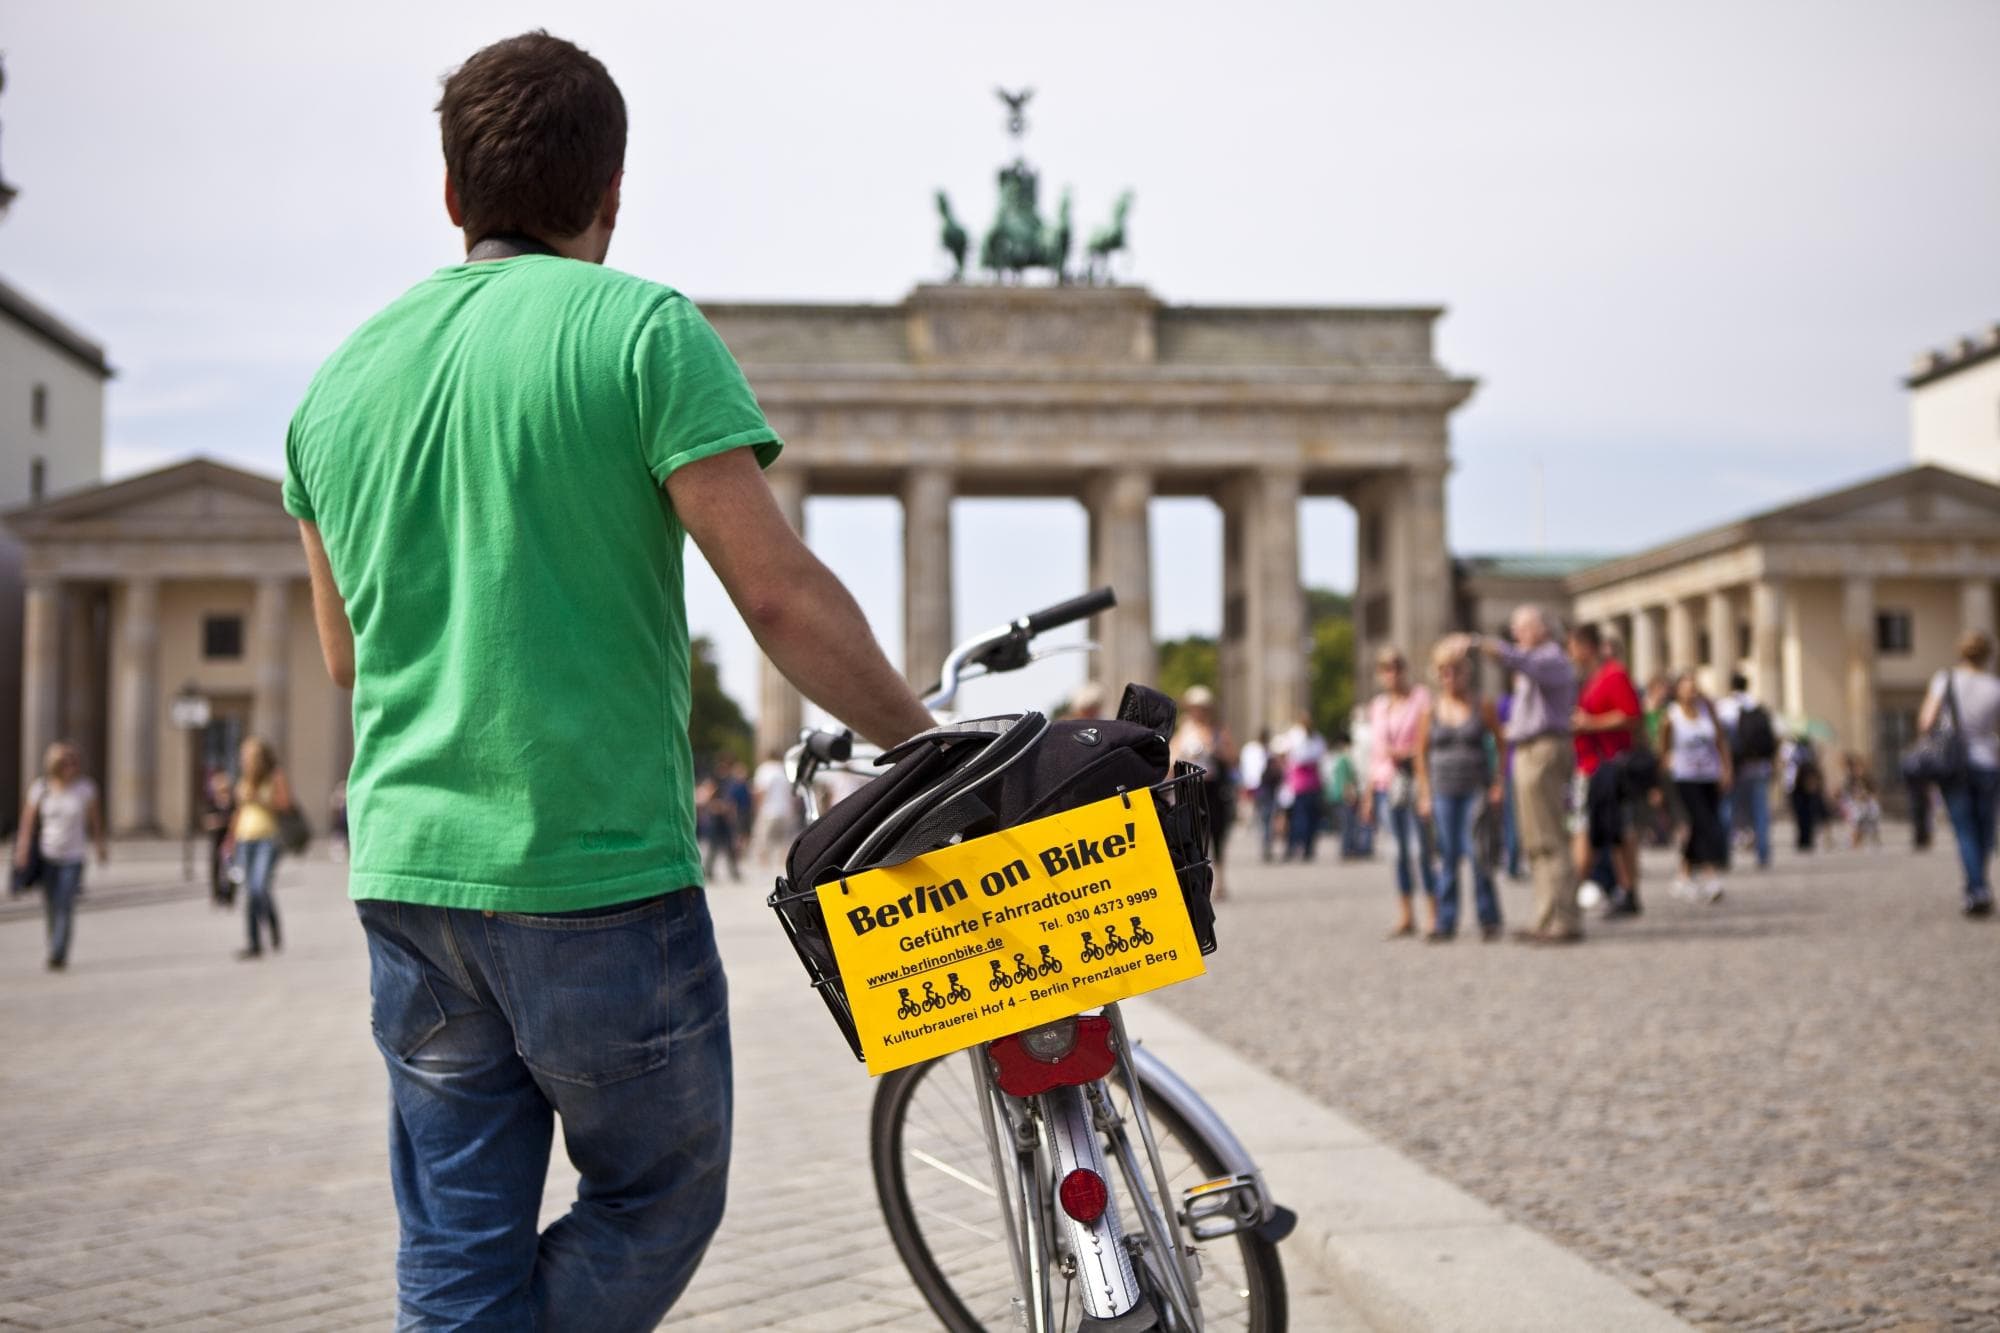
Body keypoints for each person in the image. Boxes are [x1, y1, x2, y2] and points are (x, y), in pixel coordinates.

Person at [282, 33, 935, 1328]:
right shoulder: (640, 328)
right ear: (613, 194)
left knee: (457, 1252)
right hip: (594, 872)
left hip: (409, 877)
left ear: (454, 195)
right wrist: (929, 746)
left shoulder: (333, 388)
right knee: (659, 1191)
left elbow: (345, 656)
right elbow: (777, 593)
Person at [1482, 606, 1581, 943]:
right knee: (1535, 841)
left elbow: (1515, 659)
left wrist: (1479, 644)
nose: (1516, 633)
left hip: (1544, 750)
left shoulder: (1550, 657)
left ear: (1543, 629)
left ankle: (1563, 918)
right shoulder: (1536, 660)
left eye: (1521, 627)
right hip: (1527, 751)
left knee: (1550, 838)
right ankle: (1545, 915)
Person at [1414, 636, 1505, 941]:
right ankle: (1445, 920)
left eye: (1455, 670)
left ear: (1466, 672)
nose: (1450, 677)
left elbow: (1502, 744)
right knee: (1448, 856)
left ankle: (1488, 916)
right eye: (1444, 672)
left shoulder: (1482, 705)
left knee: (1478, 853)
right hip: (1443, 790)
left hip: (1474, 788)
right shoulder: (1431, 711)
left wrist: (1497, 782)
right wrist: (1424, 793)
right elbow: (1420, 754)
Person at [1918, 630, 2000, 915]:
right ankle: (1981, 883)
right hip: (1988, 762)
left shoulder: (1945, 680)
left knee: (1964, 829)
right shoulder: (1994, 686)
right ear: (1989, 655)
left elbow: (1926, 721)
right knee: (1985, 830)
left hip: (1954, 764)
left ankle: (1976, 889)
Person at [1568, 624, 1644, 916]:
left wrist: (1590, 723)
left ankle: (1583, 889)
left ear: (1586, 646)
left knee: (1599, 830)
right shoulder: (1591, 679)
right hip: (1591, 765)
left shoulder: (1614, 675)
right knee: (1609, 831)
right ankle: (1622, 888)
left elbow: (1630, 716)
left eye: (1572, 646)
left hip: (1608, 766)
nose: (1570, 653)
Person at [11, 741, 106, 970]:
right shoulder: (40, 788)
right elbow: (28, 823)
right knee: (51, 905)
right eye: (65, 762)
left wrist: (100, 846)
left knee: (65, 903)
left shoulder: (85, 789)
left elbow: (95, 821)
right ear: (55, 765)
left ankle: (58, 951)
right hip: (47, 854)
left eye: (73, 762)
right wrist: (22, 851)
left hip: (73, 856)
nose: (70, 766)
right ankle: (55, 943)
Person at [1365, 647, 1437, 937]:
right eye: (1385, 668)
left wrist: (1407, 752)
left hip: (1414, 780)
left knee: (1422, 850)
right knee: (1397, 853)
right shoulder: (1378, 706)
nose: (1391, 674)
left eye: (1395, 666)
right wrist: (1368, 794)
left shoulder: (1421, 699)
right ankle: (1406, 914)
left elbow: (1429, 739)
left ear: (1404, 669)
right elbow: (1374, 755)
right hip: (1386, 784)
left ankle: (1433, 912)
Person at [1659, 672, 1733, 903]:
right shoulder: (1671, 716)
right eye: (1687, 687)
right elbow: (1662, 747)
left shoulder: (1707, 712)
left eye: (1694, 687)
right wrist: (1665, 768)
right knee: (1704, 825)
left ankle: (1683, 876)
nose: (1692, 691)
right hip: (1685, 778)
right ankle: (1711, 877)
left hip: (1708, 775)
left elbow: (1720, 741)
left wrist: (1726, 769)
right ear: (1678, 690)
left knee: (1701, 826)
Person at [1171, 685, 1237, 896]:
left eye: (1202, 707)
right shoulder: (1183, 730)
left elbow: (1233, 759)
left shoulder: (1218, 730)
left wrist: (1214, 748)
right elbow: (1171, 760)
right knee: (1192, 835)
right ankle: (1196, 880)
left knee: (1217, 834)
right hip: (1190, 788)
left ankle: (1220, 880)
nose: (1198, 711)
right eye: (1195, 707)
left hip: (1213, 788)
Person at [232, 737, 294, 960]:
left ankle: (273, 924)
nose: (244, 760)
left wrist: (258, 798)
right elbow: (239, 812)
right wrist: (230, 840)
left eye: (248, 755)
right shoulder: (244, 780)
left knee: (259, 886)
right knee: (248, 891)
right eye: (243, 756)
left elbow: (285, 805)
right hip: (244, 838)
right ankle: (253, 943)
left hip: (268, 838)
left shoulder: (274, 776)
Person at [1715, 673, 1776, 870]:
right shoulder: (1758, 706)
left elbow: (1719, 739)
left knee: (1727, 811)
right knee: (1760, 811)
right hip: (1758, 766)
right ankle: (1763, 853)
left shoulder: (1724, 707)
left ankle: (1723, 854)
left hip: (1735, 767)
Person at [1274, 712, 1327, 862]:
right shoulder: (1306, 737)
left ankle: (1301, 846)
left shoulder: (1306, 736)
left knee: (1304, 818)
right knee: (1304, 818)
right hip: (1305, 782)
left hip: (1304, 783)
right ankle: (1303, 846)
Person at [750, 748, 801, 862]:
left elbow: (761, 791)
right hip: (786, 810)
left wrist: (757, 807)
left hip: (769, 810)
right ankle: (782, 863)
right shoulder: (785, 770)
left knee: (763, 840)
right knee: (784, 841)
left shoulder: (765, 769)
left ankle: (764, 863)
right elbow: (793, 794)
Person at [1240, 727, 1280, 862]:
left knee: (1265, 816)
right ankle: (1265, 843)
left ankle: (1265, 844)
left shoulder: (1266, 750)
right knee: (1264, 816)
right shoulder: (1256, 750)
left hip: (1264, 786)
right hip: (1260, 786)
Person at [1785, 733, 1827, 852]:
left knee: (1805, 813)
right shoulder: (1794, 748)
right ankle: (1804, 839)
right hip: (1799, 784)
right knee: (1803, 813)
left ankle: (1806, 839)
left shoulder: (1801, 749)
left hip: (1801, 784)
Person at [201, 768, 237, 905]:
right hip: (216, 840)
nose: (222, 791)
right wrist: (221, 821)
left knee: (231, 866)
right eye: (219, 788)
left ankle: (230, 895)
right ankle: (216, 895)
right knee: (216, 867)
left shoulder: (233, 803)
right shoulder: (212, 803)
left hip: (230, 840)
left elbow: (236, 818)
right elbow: (207, 821)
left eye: (224, 788)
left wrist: (222, 821)